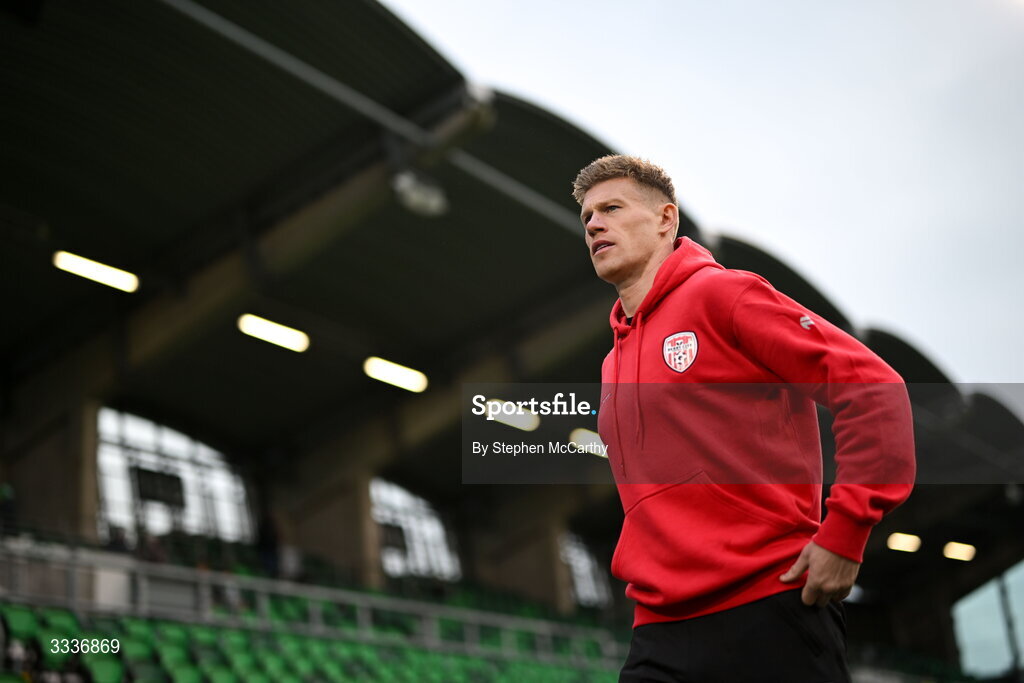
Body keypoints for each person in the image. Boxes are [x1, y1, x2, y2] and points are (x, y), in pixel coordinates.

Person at [572, 155, 916, 682]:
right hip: (659, 627)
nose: (594, 223)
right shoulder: (611, 362)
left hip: (768, 604)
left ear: (666, 219)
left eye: (611, 208)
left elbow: (874, 389)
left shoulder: (724, 294)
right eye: (588, 216)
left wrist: (847, 529)